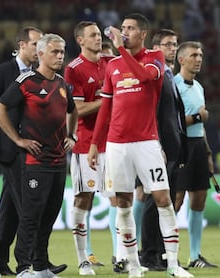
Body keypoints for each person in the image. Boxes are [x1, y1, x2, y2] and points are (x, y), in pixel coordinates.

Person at [87, 13, 194, 278]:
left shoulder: (154, 58)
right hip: (116, 144)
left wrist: (121, 50)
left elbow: (145, 79)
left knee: (162, 198)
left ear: (142, 34)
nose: (124, 32)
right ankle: (134, 265)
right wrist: (93, 144)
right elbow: (106, 108)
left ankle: (173, 265)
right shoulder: (112, 66)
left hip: (147, 142)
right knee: (122, 202)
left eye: (131, 28)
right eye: (123, 28)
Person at [0, 33, 78, 278]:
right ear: (40, 54)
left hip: (58, 161)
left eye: (62, 52)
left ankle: (40, 267)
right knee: (31, 216)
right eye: (55, 52)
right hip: (34, 161)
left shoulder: (61, 83)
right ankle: (23, 268)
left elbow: (73, 111)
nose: (60, 56)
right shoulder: (26, 80)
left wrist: (72, 136)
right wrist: (18, 139)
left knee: (50, 215)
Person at [64, 21, 115, 275]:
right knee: (84, 198)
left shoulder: (110, 63)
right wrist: (106, 100)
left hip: (115, 143)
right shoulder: (73, 70)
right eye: (93, 35)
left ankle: (123, 256)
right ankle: (83, 259)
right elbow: (78, 109)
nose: (98, 38)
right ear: (80, 40)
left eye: (99, 34)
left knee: (120, 198)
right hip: (86, 145)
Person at [140, 29, 188, 271]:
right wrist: (156, 144)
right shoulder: (157, 77)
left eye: (175, 44)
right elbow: (152, 114)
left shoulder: (169, 75)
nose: (173, 48)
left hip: (174, 146)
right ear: (156, 47)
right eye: (168, 44)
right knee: (154, 201)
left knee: (164, 201)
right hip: (161, 148)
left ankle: (161, 252)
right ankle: (148, 254)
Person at [173, 41, 218, 269]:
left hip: (199, 146)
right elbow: (173, 123)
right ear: (181, 59)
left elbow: (199, 126)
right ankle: (169, 253)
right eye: (193, 55)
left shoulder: (198, 87)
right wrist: (199, 118)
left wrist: (208, 152)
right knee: (177, 200)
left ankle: (195, 255)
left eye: (200, 55)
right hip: (181, 146)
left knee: (198, 200)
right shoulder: (174, 86)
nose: (198, 59)